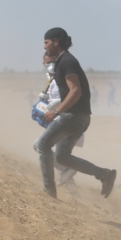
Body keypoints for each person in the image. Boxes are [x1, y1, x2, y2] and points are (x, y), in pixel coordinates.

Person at [34, 27, 117, 198]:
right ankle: (104, 174)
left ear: (56, 42)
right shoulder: (64, 61)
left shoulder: (67, 62)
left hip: (73, 116)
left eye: (46, 42)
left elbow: (75, 91)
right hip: (79, 117)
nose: (44, 47)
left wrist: (57, 111)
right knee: (62, 157)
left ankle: (49, 191)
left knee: (42, 145)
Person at [41, 52, 79, 189]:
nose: (51, 65)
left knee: (51, 150)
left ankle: (69, 180)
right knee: (56, 152)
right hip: (55, 119)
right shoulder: (49, 79)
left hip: (65, 118)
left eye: (53, 61)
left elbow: (74, 95)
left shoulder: (63, 76)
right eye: (48, 62)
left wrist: (58, 102)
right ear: (43, 64)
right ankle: (69, 183)